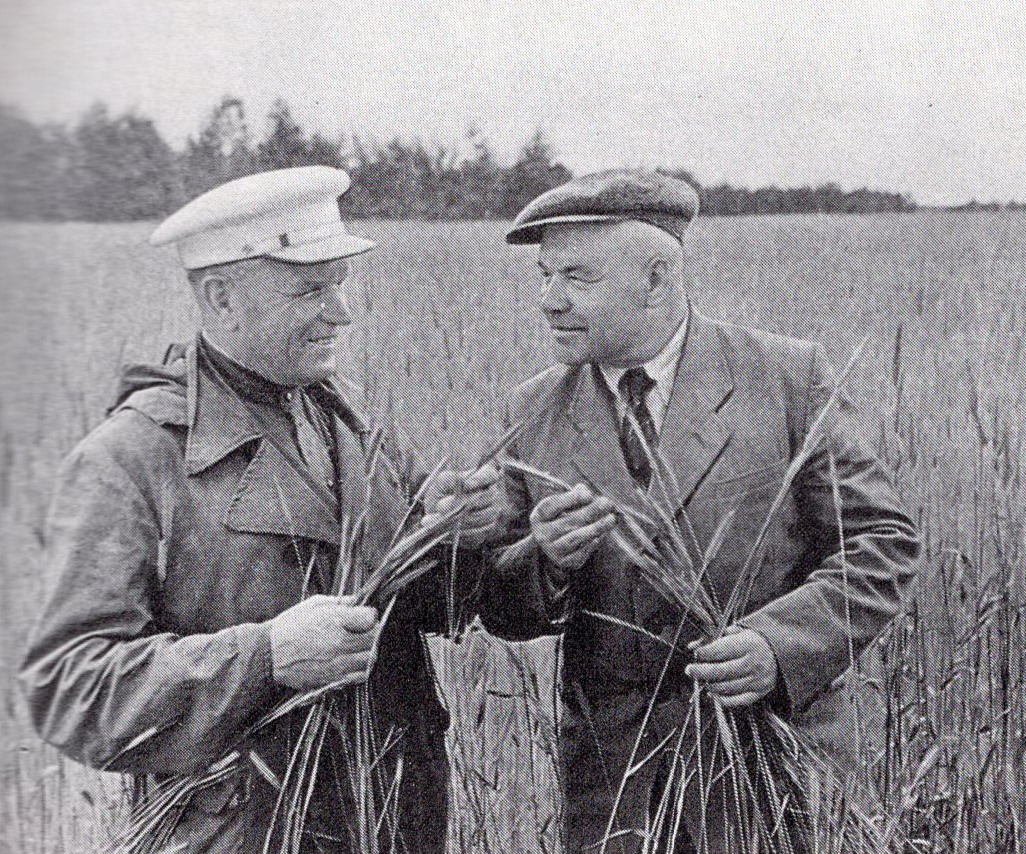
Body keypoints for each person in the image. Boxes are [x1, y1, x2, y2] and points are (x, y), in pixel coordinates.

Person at [19, 166, 503, 854]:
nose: (342, 311)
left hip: (397, 819)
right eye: (311, 288)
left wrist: (460, 537)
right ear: (221, 299)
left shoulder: (352, 418)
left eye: (339, 283)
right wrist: (265, 657)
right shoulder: (129, 458)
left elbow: (433, 603)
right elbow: (68, 690)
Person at [490, 169, 922, 852]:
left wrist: (778, 648)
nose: (549, 301)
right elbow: (502, 607)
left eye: (577, 277)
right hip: (611, 785)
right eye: (543, 276)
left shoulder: (785, 377)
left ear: (658, 278)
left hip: (768, 759)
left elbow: (880, 544)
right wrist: (541, 558)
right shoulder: (531, 410)